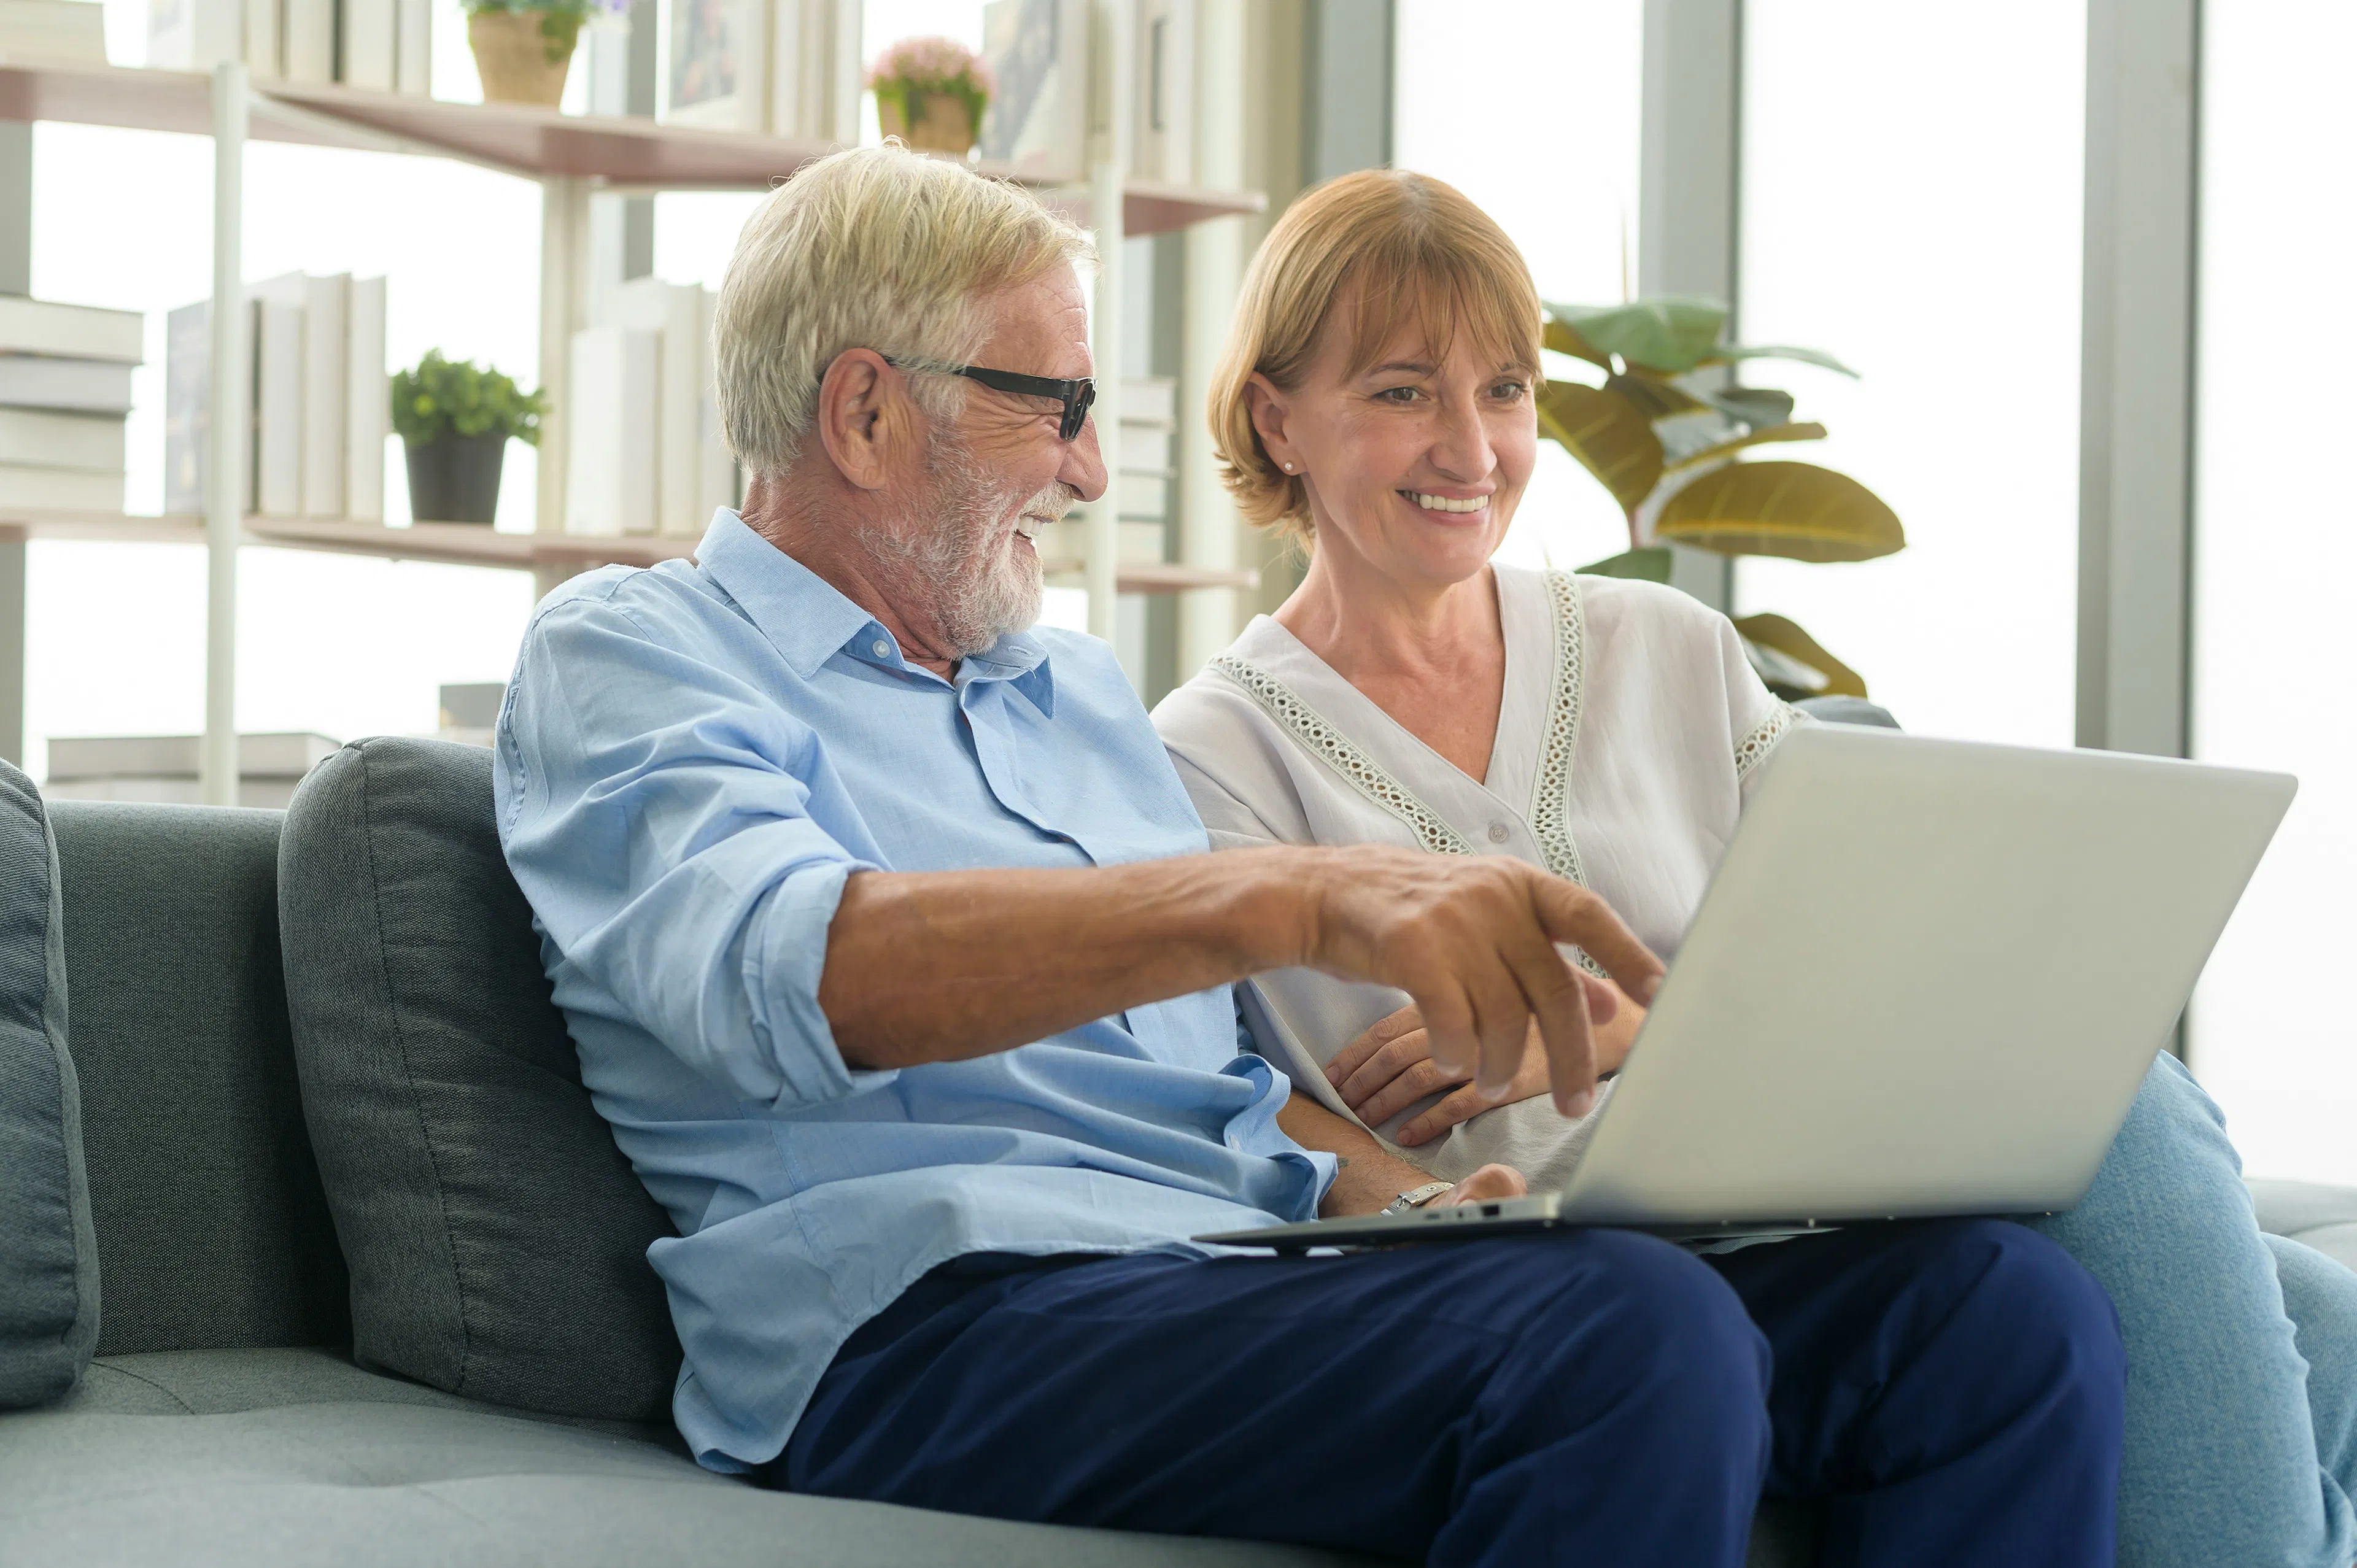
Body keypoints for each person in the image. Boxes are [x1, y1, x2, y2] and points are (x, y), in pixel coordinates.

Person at [493, 143, 2126, 1568]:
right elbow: (798, 973)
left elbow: (1227, 1095)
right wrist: (1282, 895)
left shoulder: (1069, 693)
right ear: (864, 411)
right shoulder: (633, 653)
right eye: (1056, 408)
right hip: (923, 1315)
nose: (1087, 468)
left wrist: (1434, 1211)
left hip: (1227, 1262)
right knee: (1634, 1332)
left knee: (1994, 1314)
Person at [1149, 165, 2357, 1568]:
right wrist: (1414, 1202)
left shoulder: (1670, 647)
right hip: (1528, 1286)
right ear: (1275, 418)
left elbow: (1862, 941)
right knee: (2199, 1254)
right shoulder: (1209, 752)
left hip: (1795, 1223)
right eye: (1404, 391)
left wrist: (1638, 1028)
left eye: (1507, 390)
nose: (1472, 448)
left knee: (2280, 1295)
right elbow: (1219, 1091)